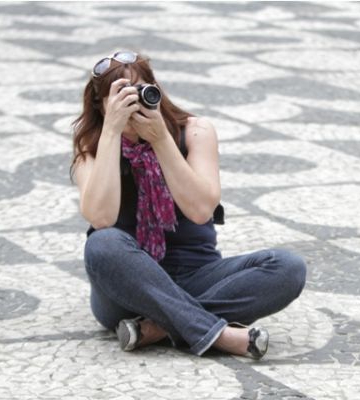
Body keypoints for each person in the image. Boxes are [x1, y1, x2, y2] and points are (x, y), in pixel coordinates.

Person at [70, 51, 307, 359]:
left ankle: (157, 328)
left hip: (198, 274)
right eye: (121, 98)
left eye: (139, 92)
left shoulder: (195, 131)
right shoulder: (91, 145)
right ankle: (218, 334)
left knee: (288, 268)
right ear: (100, 105)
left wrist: (160, 140)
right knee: (102, 243)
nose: (133, 105)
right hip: (127, 290)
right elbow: (101, 217)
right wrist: (112, 132)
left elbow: (200, 210)